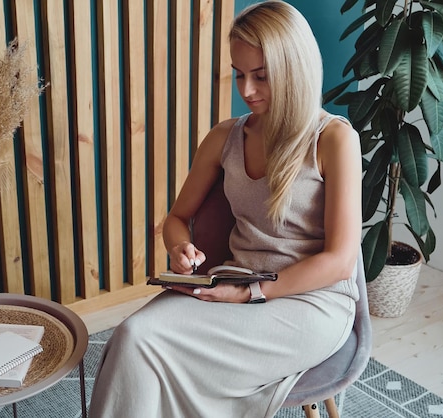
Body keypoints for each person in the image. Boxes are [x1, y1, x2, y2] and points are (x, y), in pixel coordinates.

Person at [88, 1, 362, 417]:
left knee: (146, 343)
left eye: (261, 76)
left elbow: (341, 262)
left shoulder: (334, 140)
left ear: (294, 69)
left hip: (311, 303)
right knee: (132, 334)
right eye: (239, 74)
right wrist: (181, 248)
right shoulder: (223, 138)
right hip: (236, 281)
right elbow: (177, 220)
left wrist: (251, 293)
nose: (246, 90)